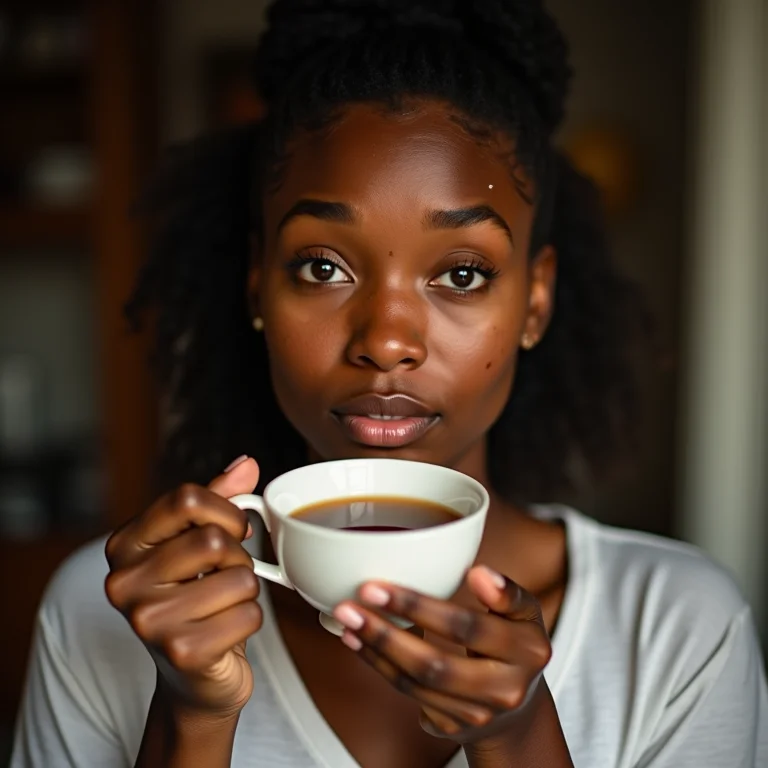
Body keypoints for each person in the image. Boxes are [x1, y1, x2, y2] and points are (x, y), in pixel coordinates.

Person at [11, 1, 768, 767]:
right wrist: (190, 717)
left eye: (462, 273)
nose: (387, 342)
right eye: (322, 267)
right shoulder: (105, 610)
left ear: (535, 302)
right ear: (255, 289)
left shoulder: (678, 627)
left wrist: (519, 736)